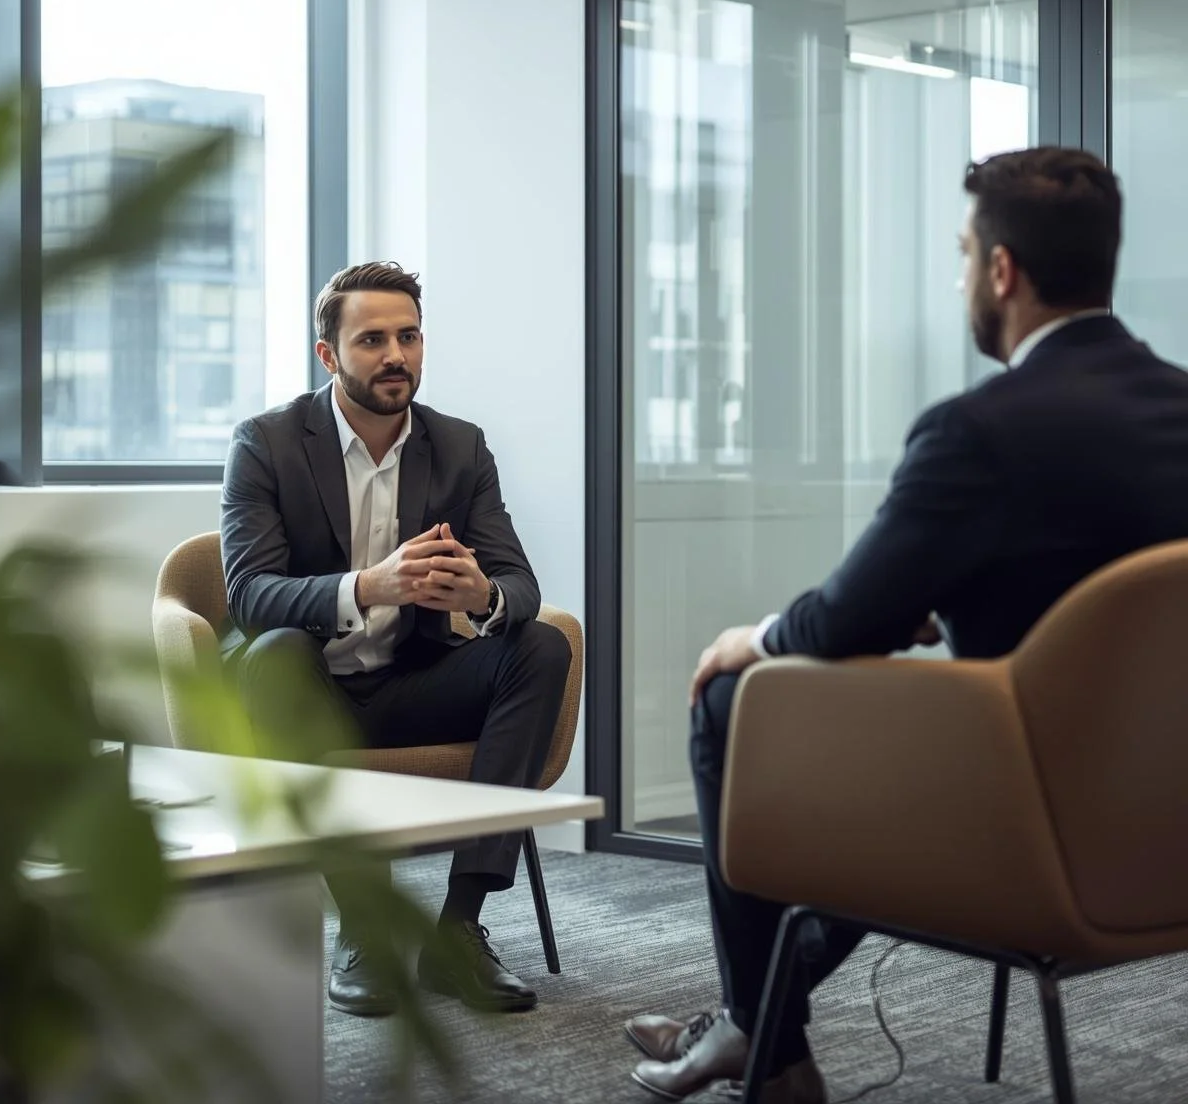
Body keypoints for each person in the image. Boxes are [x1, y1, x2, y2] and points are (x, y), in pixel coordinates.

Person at [625, 146, 1188, 1103]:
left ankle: (770, 1049)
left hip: (1028, 831)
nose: (961, 274)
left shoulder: (982, 429)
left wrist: (753, 637)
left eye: (964, 252)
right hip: (1162, 822)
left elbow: (844, 614)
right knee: (856, 764)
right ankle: (748, 1022)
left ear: (1001, 270)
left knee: (734, 699)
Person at [219, 261, 570, 1018]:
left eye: (408, 336)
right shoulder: (266, 443)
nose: (396, 356)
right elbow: (249, 595)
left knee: (540, 644)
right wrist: (368, 587)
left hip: (413, 684)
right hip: (309, 696)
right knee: (274, 652)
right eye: (372, 338)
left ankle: (459, 932)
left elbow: (522, 586)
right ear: (328, 354)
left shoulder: (460, 446)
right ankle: (366, 928)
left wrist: (484, 597)